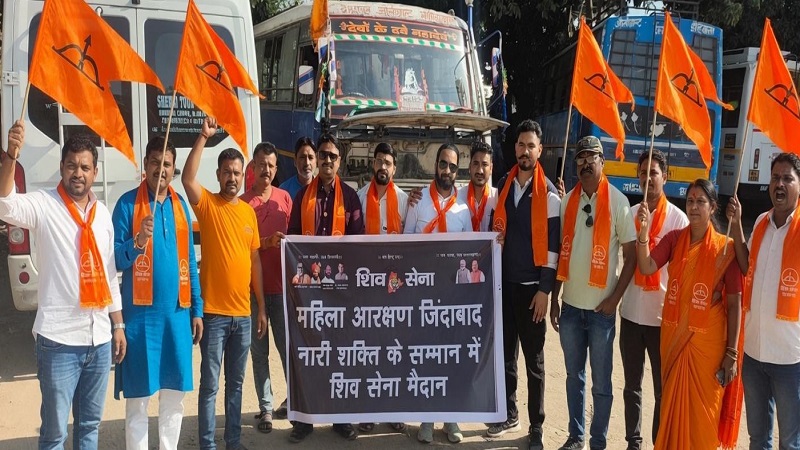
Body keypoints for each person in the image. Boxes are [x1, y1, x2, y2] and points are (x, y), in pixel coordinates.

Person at [0, 122, 126, 449]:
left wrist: (118, 324)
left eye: (85, 167)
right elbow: (5, 203)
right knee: (55, 435)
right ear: (61, 168)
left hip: (99, 339)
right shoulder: (44, 205)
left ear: (95, 172)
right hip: (59, 342)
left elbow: (108, 273)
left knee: (89, 428)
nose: (78, 173)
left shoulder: (102, 214)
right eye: (72, 166)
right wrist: (11, 157)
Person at [112, 136, 204, 450]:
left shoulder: (181, 206)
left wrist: (197, 309)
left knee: (174, 398)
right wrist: (137, 241)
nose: (160, 170)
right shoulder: (127, 205)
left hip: (176, 318)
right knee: (138, 399)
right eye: (155, 162)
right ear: (145, 165)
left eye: (166, 164)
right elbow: (114, 260)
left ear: (173, 169)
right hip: (140, 320)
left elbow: (190, 263)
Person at [636, 178, 742, 450]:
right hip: (675, 339)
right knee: (672, 407)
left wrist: (731, 354)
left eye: (700, 202)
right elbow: (647, 267)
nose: (694, 207)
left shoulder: (726, 248)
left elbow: (734, 304)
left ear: (713, 207)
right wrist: (643, 233)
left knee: (703, 418)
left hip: (708, 348)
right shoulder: (674, 239)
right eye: (690, 201)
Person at [182, 117, 267, 450]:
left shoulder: (248, 213)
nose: (232, 178)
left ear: (243, 176)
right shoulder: (207, 205)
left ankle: (233, 441)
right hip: (214, 315)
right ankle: (207, 445)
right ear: (218, 175)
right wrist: (203, 136)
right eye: (227, 172)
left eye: (237, 173)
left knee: (236, 385)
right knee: (210, 387)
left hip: (243, 316)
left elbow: (255, 261)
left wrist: (261, 308)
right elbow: (187, 178)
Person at [552, 135, 636, 450]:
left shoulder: (618, 202)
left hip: (602, 311)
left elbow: (631, 257)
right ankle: (576, 437)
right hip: (571, 308)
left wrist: (614, 299)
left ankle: (598, 441)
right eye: (581, 158)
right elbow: (562, 252)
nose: (586, 163)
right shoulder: (567, 202)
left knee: (601, 382)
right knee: (573, 377)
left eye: (592, 158)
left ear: (602, 162)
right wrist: (554, 298)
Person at [287, 133, 364, 443]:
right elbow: (293, 240)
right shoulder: (301, 197)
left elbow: (358, 243)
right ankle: (304, 421)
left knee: (339, 355)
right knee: (307, 355)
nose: (327, 160)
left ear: (339, 161)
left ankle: (340, 418)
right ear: (317, 158)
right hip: (308, 292)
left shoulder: (351, 198)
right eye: (323, 155)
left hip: (339, 292)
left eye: (333, 155)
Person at [489, 119, 560, 450]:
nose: (525, 151)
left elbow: (553, 247)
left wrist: (545, 290)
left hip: (533, 291)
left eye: (531, 146)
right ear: (515, 148)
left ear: (540, 150)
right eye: (521, 145)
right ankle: (509, 413)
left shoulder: (550, 194)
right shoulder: (504, 184)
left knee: (535, 362)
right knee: (506, 356)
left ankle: (536, 426)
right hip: (505, 285)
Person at [728, 152, 800, 450]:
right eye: (775, 178)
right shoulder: (760, 222)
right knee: (758, 438)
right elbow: (747, 267)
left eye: (787, 179)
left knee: (790, 442)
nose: (779, 184)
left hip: (790, 359)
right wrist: (735, 225)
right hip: (755, 355)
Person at [618, 151, 688, 450]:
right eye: (643, 172)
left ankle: (659, 442)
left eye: (654, 172)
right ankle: (633, 442)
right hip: (632, 315)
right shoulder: (631, 214)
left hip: (662, 319)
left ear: (665, 177)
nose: (648, 178)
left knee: (662, 390)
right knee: (632, 387)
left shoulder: (679, 219)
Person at [404, 143, 469, 444]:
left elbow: (470, 249)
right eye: (443, 164)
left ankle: (451, 419)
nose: (447, 171)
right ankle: (427, 419)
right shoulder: (417, 202)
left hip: (452, 299)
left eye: (453, 167)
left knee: (451, 358)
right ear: (435, 165)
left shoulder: (463, 209)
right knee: (427, 358)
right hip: (422, 296)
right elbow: (405, 244)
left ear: (457, 171)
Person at [355, 142, 409, 434]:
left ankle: (394, 409)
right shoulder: (360, 197)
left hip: (395, 288)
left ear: (394, 168)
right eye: (379, 161)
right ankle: (368, 410)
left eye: (388, 162)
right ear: (372, 164)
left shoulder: (404, 200)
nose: (383, 167)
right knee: (369, 349)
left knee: (394, 350)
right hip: (367, 286)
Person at [240, 142, 292, 432]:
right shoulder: (242, 203)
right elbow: (241, 248)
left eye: (271, 165)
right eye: (262, 164)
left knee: (287, 350)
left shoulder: (285, 199)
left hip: (282, 290)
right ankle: (266, 408)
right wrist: (265, 242)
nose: (267, 170)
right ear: (253, 167)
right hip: (252, 291)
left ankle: (294, 402)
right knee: (259, 353)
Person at [457, 141, 497, 233]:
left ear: (491, 168)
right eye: (476, 163)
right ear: (469, 167)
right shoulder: (457, 197)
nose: (480, 171)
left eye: (484, 164)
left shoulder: (497, 198)